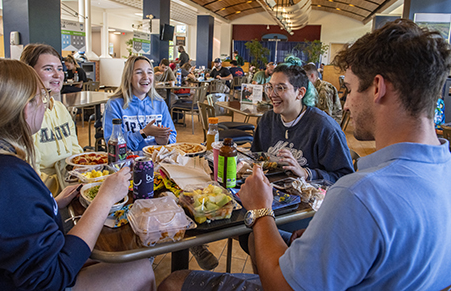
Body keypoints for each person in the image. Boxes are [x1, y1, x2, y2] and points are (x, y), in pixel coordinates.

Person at [158, 19, 451, 291]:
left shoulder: (359, 195)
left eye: (348, 90)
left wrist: (261, 209)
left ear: (377, 88)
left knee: (174, 282)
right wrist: (319, 237)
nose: (346, 104)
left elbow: (281, 286)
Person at [0, 58, 155, 290]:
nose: (46, 106)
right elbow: (52, 276)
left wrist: (53, 204)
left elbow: (7, 227)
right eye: (43, 98)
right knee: (138, 267)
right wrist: (105, 197)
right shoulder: (5, 175)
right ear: (27, 108)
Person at [251, 64, 353, 183]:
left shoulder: (324, 128)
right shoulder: (267, 120)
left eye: (280, 88)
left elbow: (345, 178)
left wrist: (306, 173)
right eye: (270, 87)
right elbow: (255, 157)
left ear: (300, 93)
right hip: (271, 193)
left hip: (308, 198)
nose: (271, 94)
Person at [20, 44, 83, 195]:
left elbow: (76, 150)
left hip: (72, 185)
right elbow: (30, 175)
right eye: (48, 69)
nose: (58, 75)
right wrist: (70, 184)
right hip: (48, 196)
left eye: (60, 69)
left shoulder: (61, 108)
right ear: (28, 72)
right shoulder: (25, 115)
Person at [103, 55, 177, 151]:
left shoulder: (160, 103)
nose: (146, 77)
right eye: (139, 72)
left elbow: (173, 136)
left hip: (156, 160)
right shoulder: (114, 104)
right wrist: (143, 133)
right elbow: (112, 144)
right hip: (126, 162)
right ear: (129, 77)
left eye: (150, 72)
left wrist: (164, 141)